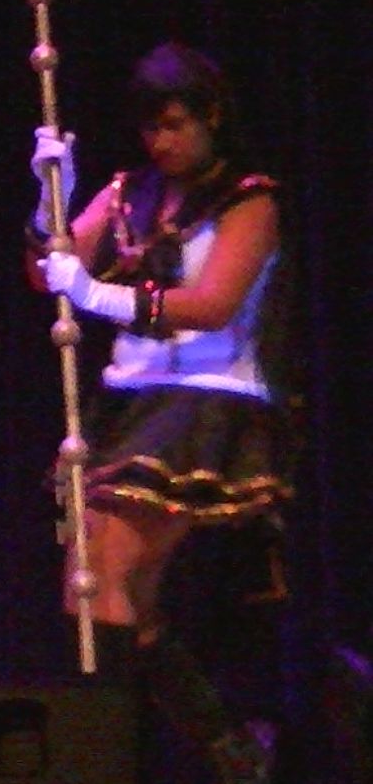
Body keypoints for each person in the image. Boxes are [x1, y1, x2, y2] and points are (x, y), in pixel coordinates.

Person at [28, 42, 295, 784]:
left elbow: (212, 304)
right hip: (131, 400)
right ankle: (226, 748)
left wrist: (98, 295)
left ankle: (106, 753)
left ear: (212, 117)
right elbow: (49, 267)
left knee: (98, 575)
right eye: (151, 127)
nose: (163, 142)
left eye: (176, 124)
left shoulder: (249, 200)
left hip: (207, 401)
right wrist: (49, 198)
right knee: (120, 597)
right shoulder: (127, 192)